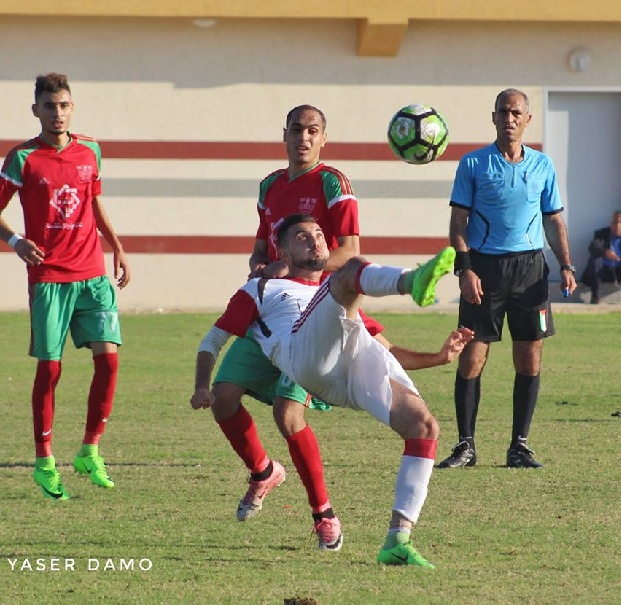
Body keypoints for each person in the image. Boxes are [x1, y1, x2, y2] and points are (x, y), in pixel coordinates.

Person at [192, 213, 466, 567]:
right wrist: (202, 385)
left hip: (352, 365)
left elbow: (390, 350)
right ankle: (412, 280)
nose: (315, 240)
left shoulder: (339, 299)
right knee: (351, 272)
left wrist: (439, 357)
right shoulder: (261, 288)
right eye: (302, 237)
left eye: (319, 234)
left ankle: (397, 541)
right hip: (305, 357)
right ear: (284, 253)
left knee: (424, 426)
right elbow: (213, 339)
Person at [208, 105, 389, 551]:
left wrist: (298, 264)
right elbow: (259, 247)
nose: (304, 138)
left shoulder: (333, 183)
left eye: (313, 131)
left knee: (288, 415)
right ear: (284, 134)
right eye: (297, 130)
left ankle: (323, 514)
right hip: (271, 309)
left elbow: (350, 253)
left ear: (323, 138)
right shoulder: (269, 185)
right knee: (222, 398)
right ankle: (263, 472)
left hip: (316, 311)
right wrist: (261, 268)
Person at [0, 72, 131, 500]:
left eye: (64, 105)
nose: (58, 113)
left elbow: (94, 202)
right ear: (37, 110)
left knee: (109, 363)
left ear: (72, 107)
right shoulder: (22, 158)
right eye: (50, 106)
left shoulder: (91, 151)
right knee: (50, 370)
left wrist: (117, 247)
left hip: (92, 274)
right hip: (49, 278)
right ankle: (45, 461)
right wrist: (15, 241)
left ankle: (89, 451)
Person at [438, 88, 576, 471]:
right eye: (503, 112)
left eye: (517, 112)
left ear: (527, 119)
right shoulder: (473, 164)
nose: (510, 118)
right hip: (485, 270)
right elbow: (458, 222)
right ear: (494, 117)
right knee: (472, 358)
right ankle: (465, 445)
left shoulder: (543, 165)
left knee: (528, 360)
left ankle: (520, 446)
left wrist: (566, 265)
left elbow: (553, 220)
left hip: (531, 270)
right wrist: (465, 269)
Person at [580, 210, 621, 304]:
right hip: (604, 271)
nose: (617, 226)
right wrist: (606, 252)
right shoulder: (602, 233)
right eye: (615, 222)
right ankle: (595, 296)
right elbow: (593, 246)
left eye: (620, 223)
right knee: (594, 260)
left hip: (619, 271)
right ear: (611, 223)